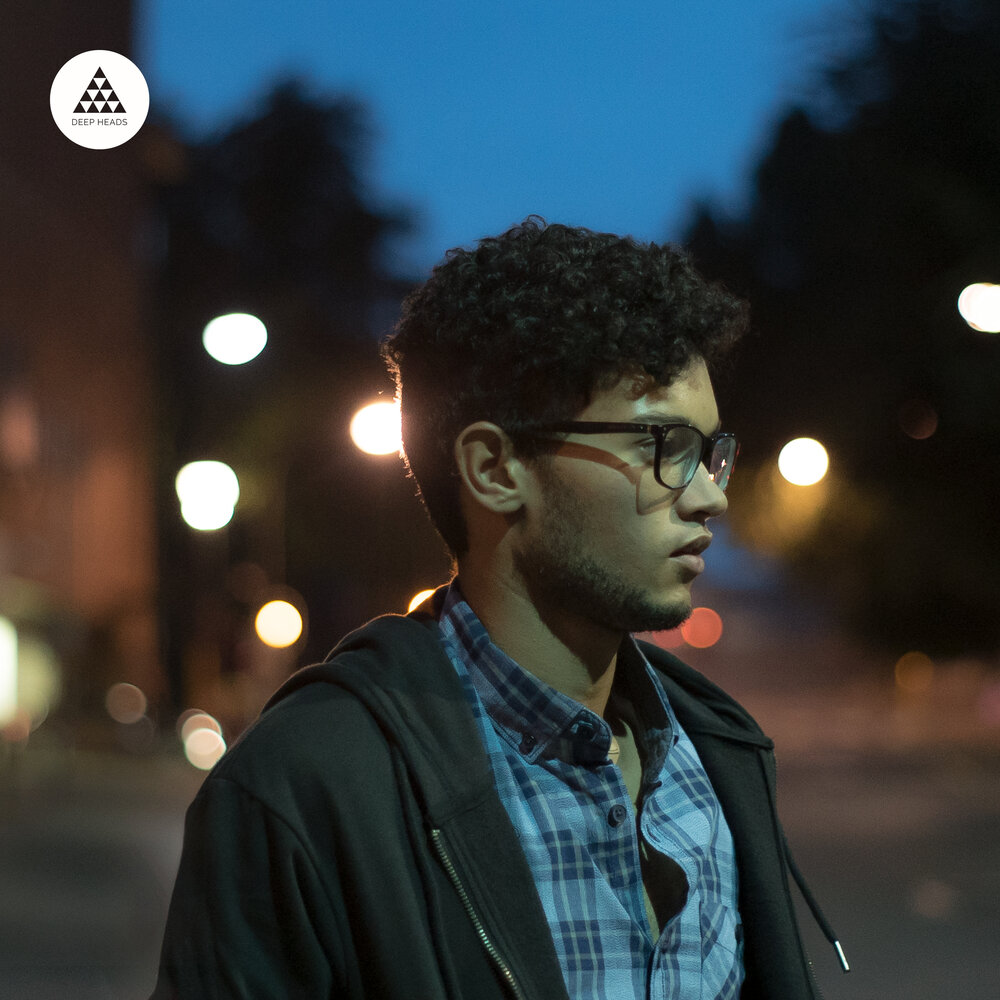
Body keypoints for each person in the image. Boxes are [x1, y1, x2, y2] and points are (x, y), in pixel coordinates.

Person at [153, 217, 848, 999]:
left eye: (711, 453)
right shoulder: (304, 789)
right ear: (495, 469)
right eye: (662, 447)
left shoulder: (715, 756)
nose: (711, 496)